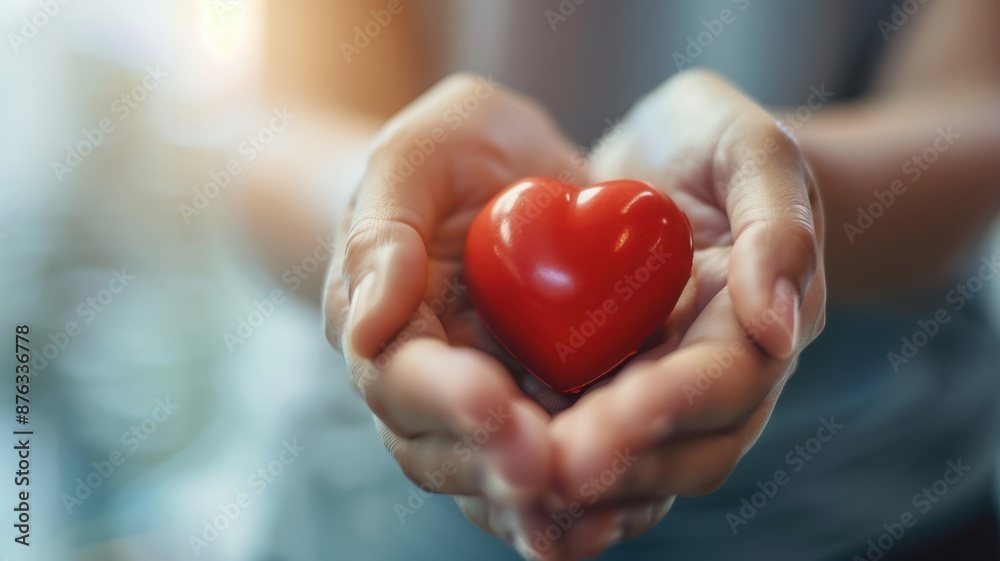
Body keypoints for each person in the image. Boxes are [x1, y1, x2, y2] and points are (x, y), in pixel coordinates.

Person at [243, 1, 1000, 559]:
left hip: (882, 501)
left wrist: (789, 190)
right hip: (379, 522)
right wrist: (377, 212)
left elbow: (974, 110)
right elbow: (262, 128)